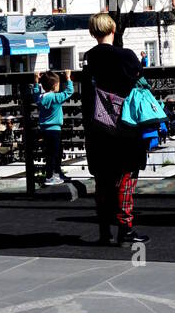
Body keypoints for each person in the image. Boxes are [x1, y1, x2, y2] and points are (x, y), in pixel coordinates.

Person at [81, 12, 147, 246]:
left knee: (103, 180)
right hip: (124, 128)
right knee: (126, 177)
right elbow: (139, 81)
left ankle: (104, 231)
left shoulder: (88, 61)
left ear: (92, 33)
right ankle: (125, 229)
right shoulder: (126, 57)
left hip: (98, 130)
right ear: (113, 30)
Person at [33, 69, 73, 185]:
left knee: (51, 153)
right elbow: (69, 91)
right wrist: (68, 78)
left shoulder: (41, 98)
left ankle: (55, 174)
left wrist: (36, 81)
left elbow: (35, 95)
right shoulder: (56, 98)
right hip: (55, 130)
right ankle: (50, 177)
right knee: (55, 154)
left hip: (45, 130)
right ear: (55, 85)